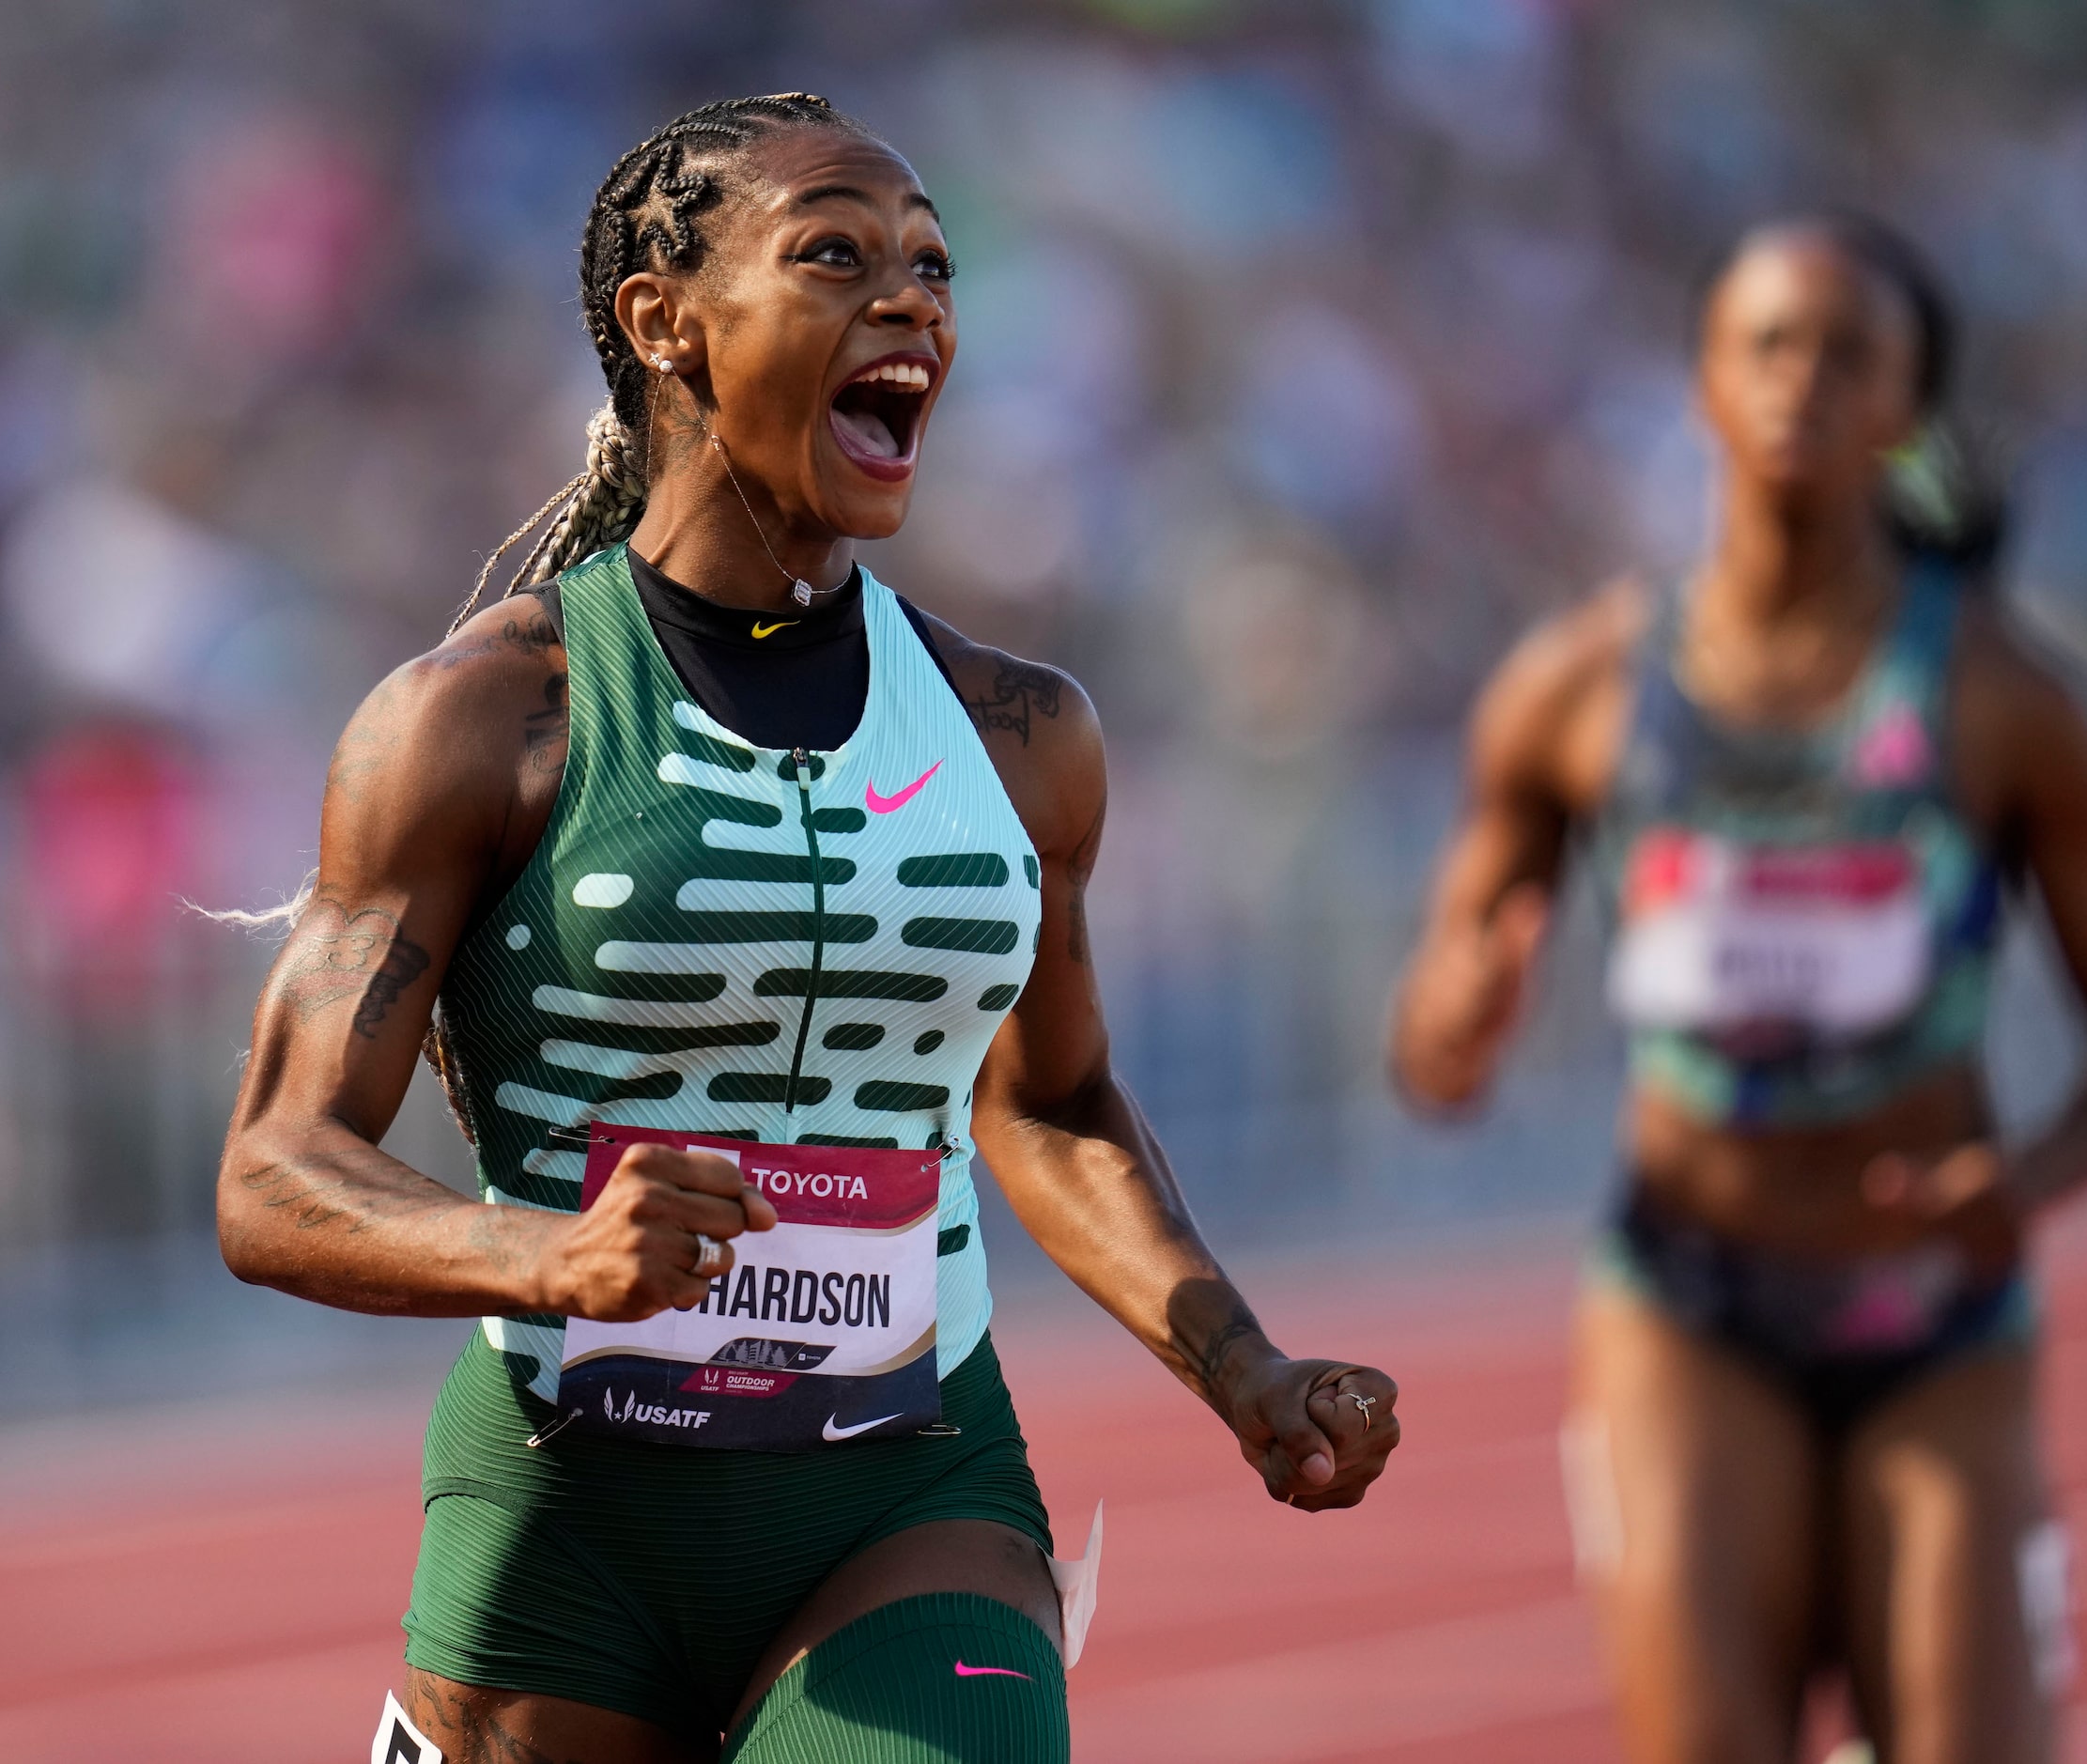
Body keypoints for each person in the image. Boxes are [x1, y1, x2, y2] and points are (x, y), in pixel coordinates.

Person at [218, 93, 1400, 1764]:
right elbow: (272, 1171)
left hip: (910, 1494)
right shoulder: (480, 720)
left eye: (931, 263)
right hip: (567, 1518)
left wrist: (1245, 1368)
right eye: (837, 253)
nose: (914, 299)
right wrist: (547, 1254)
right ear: (665, 324)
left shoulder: (1017, 734)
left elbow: (1049, 1106)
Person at [1390, 214, 2087, 1764]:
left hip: (1933, 1317)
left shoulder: (2004, 699)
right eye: (1765, 341)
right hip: (1686, 1302)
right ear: (1700, 377)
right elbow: (1428, 1060)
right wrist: (1459, 1011)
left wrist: (2018, 1182)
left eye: (1849, 354)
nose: (1800, 380)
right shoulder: (1578, 686)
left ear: (1906, 411)